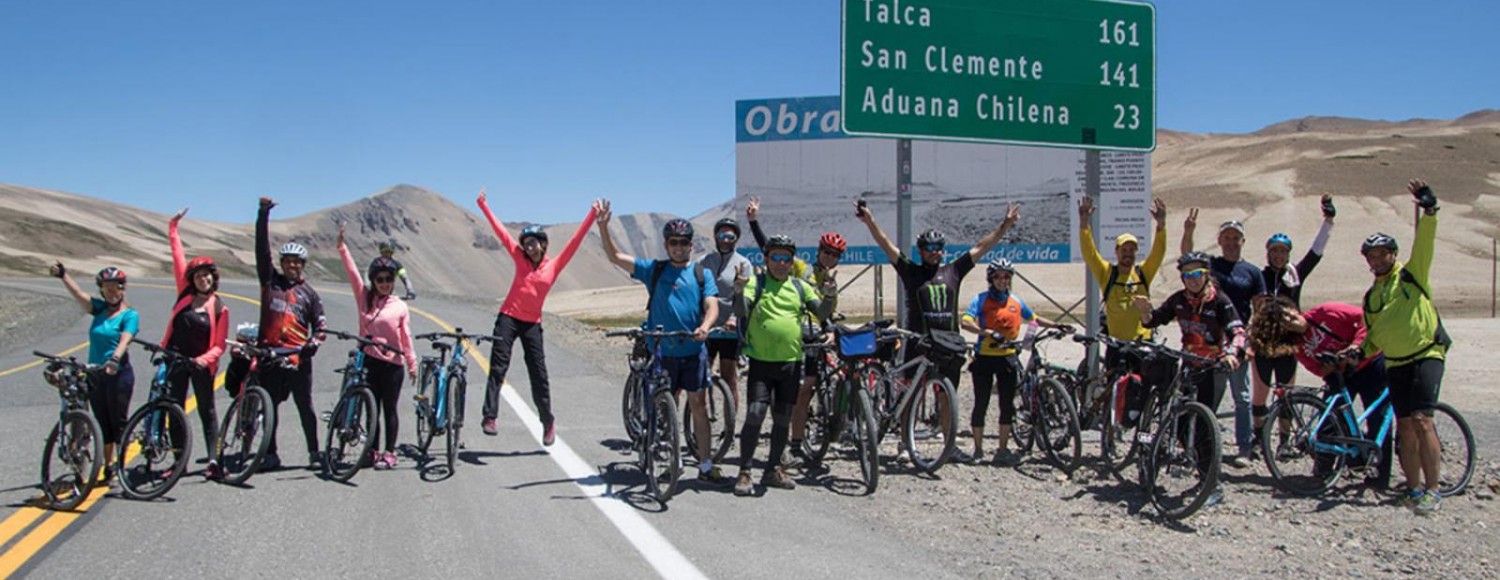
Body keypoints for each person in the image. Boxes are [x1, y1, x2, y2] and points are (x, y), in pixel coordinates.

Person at [595, 200, 726, 483]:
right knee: (665, 405)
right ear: (666, 245)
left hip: (693, 351)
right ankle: (667, 457)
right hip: (663, 351)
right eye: (673, 242)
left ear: (691, 245)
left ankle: (705, 465)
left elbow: (712, 305)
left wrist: (705, 326)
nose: (678, 247)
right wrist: (603, 227)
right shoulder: (654, 270)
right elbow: (616, 256)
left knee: (699, 406)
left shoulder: (701, 273)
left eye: (683, 242)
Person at [476, 190, 597, 447]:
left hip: (532, 323)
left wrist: (592, 215)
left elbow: (575, 241)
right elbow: (501, 233)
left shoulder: (553, 266)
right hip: (507, 317)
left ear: (543, 244)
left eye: (534, 243)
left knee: (538, 374)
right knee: (498, 366)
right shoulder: (519, 258)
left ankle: (548, 421)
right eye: (526, 243)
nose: (529, 247)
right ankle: (490, 416)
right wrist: (483, 205)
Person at [1359, 179, 1450, 515]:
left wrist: (1429, 210)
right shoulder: (1372, 296)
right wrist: (1357, 353)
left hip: (1426, 354)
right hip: (1395, 362)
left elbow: (1425, 242)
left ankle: (1433, 489)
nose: (1378, 258)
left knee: (1423, 419)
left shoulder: (1412, 275)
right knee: (1405, 425)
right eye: (1372, 254)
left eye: (1383, 253)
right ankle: (1412, 489)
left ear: (1392, 254)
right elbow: (1373, 336)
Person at [1133, 252, 1248, 508]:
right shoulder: (1179, 300)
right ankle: (1198, 466)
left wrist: (1231, 354)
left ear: (1206, 274)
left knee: (1206, 427)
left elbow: (1238, 331)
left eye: (1197, 274)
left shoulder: (1220, 301)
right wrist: (1144, 313)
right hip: (1188, 365)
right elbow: (1155, 320)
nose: (1193, 280)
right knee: (1184, 422)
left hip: (1212, 367)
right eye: (1187, 275)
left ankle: (1212, 485)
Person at [743, 196, 847, 466]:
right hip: (799, 337)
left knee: (824, 382)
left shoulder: (830, 280)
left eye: (834, 255)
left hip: (818, 336)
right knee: (804, 389)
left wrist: (832, 328)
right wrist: (754, 222)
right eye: (826, 252)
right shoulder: (801, 268)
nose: (829, 257)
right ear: (819, 250)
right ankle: (796, 442)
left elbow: (825, 312)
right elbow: (772, 250)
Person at [729, 235, 833, 495]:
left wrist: (830, 296)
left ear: (792, 261)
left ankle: (773, 470)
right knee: (755, 413)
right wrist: (739, 290)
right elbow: (742, 311)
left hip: (790, 362)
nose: (781, 263)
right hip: (761, 362)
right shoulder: (757, 282)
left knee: (782, 418)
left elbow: (821, 313)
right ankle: (744, 471)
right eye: (775, 257)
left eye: (786, 258)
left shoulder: (800, 287)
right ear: (766, 259)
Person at [1249, 297, 1389, 485]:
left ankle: (1379, 476)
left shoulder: (1326, 311)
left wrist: (1354, 346)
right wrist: (1335, 362)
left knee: (1378, 418)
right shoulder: (1299, 346)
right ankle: (1323, 471)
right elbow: (1319, 370)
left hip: (1369, 363)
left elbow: (1365, 320)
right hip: (1341, 373)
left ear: (1294, 309)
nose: (1290, 319)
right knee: (1329, 421)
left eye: (1288, 314)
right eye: (1283, 321)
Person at [958, 258, 1071, 465]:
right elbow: (966, 320)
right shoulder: (981, 299)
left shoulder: (1016, 302)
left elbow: (1034, 318)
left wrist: (1058, 325)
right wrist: (986, 332)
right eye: (998, 276)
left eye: (1006, 276)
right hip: (984, 357)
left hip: (1008, 358)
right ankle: (978, 450)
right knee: (981, 403)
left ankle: (1002, 449)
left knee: (1006, 405)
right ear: (991, 278)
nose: (1003, 280)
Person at [1077, 196, 1174, 425]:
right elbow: (1090, 254)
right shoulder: (1108, 274)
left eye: (1132, 249)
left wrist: (1161, 226)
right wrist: (1084, 224)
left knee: (1142, 391)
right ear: (1117, 251)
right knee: (1112, 389)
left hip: (1142, 344)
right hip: (1116, 344)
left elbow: (1158, 254)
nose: (1128, 253)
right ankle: (1109, 429)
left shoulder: (1142, 274)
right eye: (1124, 249)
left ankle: (1141, 435)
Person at [1248, 195, 1335, 449]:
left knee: (1286, 393)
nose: (1278, 255)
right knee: (1260, 393)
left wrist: (1328, 222)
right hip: (1263, 341)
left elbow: (1316, 253)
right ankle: (1258, 439)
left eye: (1283, 251)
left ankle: (1284, 441)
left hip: (1288, 342)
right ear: (1268, 253)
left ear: (1288, 254)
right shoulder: (1259, 276)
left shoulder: (1295, 274)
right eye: (1274, 251)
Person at [1181, 209, 1266, 467]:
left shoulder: (1252, 272)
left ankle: (1244, 448)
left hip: (1237, 341)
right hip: (1210, 341)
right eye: (1227, 237)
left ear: (1242, 241)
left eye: (1235, 238)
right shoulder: (1212, 266)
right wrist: (1189, 231)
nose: (1231, 242)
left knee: (1241, 396)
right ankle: (1203, 448)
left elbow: (1259, 308)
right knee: (1209, 397)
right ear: (1220, 241)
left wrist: (1249, 340)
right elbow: (1187, 258)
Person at [254, 197, 327, 471]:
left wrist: (313, 344)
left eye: (297, 262)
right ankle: (270, 454)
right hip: (270, 355)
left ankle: (314, 452)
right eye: (288, 261)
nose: (292, 266)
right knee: (269, 407)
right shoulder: (270, 282)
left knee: (304, 407)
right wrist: (263, 215)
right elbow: (261, 252)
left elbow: (320, 326)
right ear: (282, 263)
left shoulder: (310, 294)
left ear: (303, 265)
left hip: (298, 358)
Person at [338, 222, 417, 469]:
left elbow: (406, 338)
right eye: (380, 279)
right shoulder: (365, 299)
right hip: (369, 361)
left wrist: (412, 365)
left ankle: (390, 452)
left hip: (393, 364)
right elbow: (352, 272)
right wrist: (341, 247)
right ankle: (372, 451)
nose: (384, 283)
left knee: (388, 409)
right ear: (373, 280)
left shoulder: (399, 306)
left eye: (388, 279)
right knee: (370, 409)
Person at [49, 263, 137, 482]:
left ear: (122, 288)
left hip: (118, 373)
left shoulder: (129, 315)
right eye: (106, 287)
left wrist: (115, 358)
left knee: (118, 422)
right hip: (95, 373)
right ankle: (108, 464)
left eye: (115, 286)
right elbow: (79, 295)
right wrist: (63, 275)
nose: (111, 291)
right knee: (102, 421)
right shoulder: (98, 309)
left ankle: (120, 463)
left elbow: (126, 338)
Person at [163, 208, 231, 480]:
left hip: (202, 364)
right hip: (176, 359)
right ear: (191, 279)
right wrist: (173, 228)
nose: (203, 279)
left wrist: (203, 360)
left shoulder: (219, 308)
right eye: (198, 275)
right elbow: (178, 257)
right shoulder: (184, 295)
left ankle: (214, 461)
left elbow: (220, 346)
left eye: (207, 275)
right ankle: (178, 461)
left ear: (213, 278)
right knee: (174, 409)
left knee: (207, 411)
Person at [697, 216, 751, 411]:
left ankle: (729, 427)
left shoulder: (744, 263)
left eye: (730, 236)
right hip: (706, 326)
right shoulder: (704, 261)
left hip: (730, 329)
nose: (726, 240)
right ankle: (698, 419)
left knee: (730, 377)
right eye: (722, 235)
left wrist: (735, 318)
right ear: (715, 237)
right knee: (701, 374)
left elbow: (748, 296)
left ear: (736, 238)